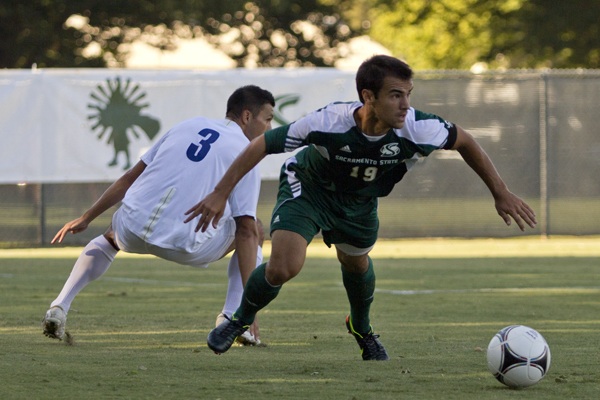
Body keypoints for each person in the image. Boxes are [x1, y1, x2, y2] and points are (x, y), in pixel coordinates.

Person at [185, 55, 537, 361]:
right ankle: (239, 320)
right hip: (309, 189)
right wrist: (220, 192)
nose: (405, 105)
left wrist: (500, 192)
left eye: (408, 95)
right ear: (368, 97)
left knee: (356, 263)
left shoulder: (418, 127)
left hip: (359, 202)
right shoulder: (329, 122)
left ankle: (361, 327)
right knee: (283, 266)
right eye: (396, 95)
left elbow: (465, 141)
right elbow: (262, 144)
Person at [43, 85, 275, 346]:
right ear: (246, 117)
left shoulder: (187, 125)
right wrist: (250, 309)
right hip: (186, 243)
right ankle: (234, 318)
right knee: (255, 227)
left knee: (109, 236)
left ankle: (59, 306)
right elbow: (244, 231)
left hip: (130, 230)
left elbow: (130, 178)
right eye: (267, 119)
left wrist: (87, 216)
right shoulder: (247, 151)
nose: (269, 127)